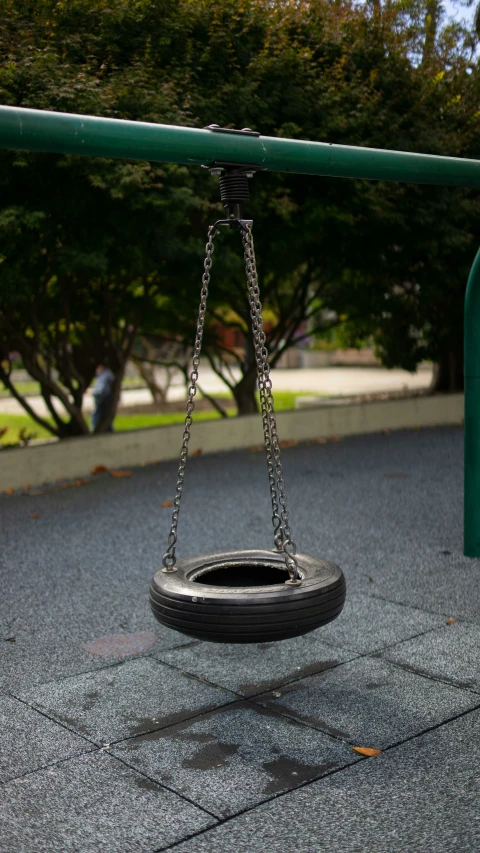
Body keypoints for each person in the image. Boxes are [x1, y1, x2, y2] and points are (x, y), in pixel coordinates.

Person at [90, 364, 115, 432]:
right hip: (99, 397)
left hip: (104, 397)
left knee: (99, 415)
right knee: (99, 414)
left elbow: (101, 388)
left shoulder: (107, 374)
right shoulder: (100, 373)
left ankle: (105, 429)